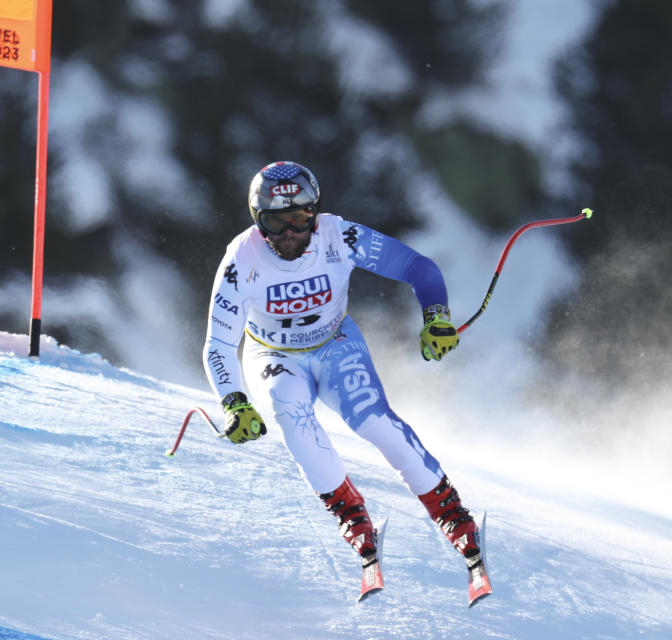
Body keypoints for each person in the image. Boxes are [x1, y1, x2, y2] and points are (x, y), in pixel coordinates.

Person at [202, 161, 482, 573]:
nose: (291, 233)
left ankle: (452, 514)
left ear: (315, 212)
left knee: (374, 421)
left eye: (300, 218)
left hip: (335, 343)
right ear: (258, 221)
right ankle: (350, 515)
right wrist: (234, 402)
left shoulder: (340, 235)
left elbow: (417, 267)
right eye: (276, 223)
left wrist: (436, 316)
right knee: (291, 415)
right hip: (272, 354)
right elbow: (219, 344)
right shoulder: (241, 259)